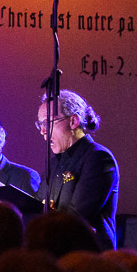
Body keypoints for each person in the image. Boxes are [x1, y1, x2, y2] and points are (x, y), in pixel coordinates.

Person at [37, 89, 118, 249]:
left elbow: (76, 218)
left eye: (47, 122)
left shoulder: (98, 158)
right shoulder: (54, 163)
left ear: (73, 121)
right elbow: (40, 207)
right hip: (58, 254)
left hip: (89, 259)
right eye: (40, 124)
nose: (43, 131)